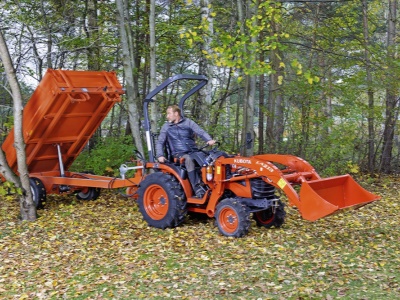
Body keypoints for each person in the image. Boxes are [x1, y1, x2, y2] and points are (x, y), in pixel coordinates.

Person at [156, 105, 216, 198]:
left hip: (192, 151)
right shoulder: (166, 127)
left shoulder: (188, 122)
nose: (167, 116)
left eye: (169, 113)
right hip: (178, 153)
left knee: (210, 157)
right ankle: (197, 189)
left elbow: (200, 131)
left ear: (176, 114)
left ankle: (211, 184)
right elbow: (160, 142)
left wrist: (208, 139)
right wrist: (160, 155)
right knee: (188, 159)